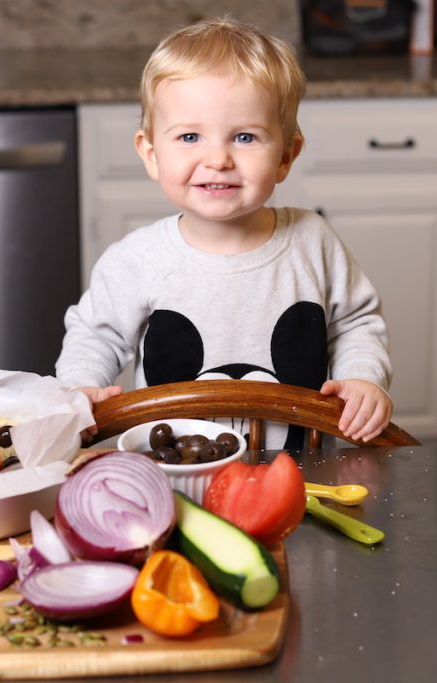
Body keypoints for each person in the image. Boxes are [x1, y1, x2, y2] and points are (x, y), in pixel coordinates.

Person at [55, 17, 393, 449]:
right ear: (152, 153)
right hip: (175, 474)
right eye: (190, 136)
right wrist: (79, 388)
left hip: (301, 476)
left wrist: (363, 378)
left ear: (287, 155)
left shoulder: (314, 242)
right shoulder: (137, 260)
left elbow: (355, 322)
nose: (217, 159)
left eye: (245, 137)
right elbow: (95, 334)